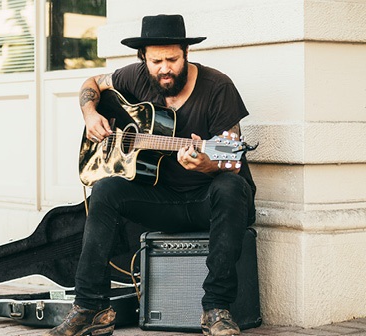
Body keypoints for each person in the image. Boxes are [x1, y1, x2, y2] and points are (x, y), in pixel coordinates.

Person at [44, 14, 257, 336]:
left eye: (172, 59)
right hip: (163, 201)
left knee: (231, 185)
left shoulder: (218, 87)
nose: (165, 68)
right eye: (156, 61)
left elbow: (232, 158)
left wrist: (207, 164)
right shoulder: (134, 77)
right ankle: (91, 307)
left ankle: (216, 308)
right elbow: (92, 85)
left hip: (210, 202)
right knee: (105, 190)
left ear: (186, 54)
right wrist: (90, 113)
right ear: (143, 58)